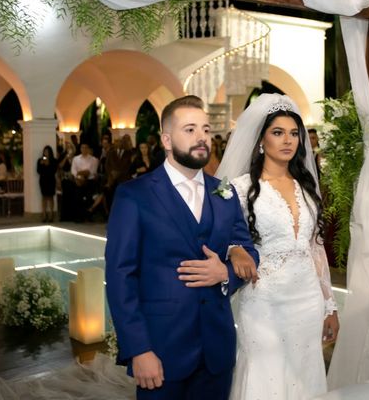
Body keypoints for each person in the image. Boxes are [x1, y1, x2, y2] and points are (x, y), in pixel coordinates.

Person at [105, 95, 259, 400]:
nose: (201, 137)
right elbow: (121, 278)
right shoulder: (134, 196)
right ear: (166, 139)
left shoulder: (224, 193)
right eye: (189, 130)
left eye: (205, 129)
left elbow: (248, 251)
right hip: (161, 353)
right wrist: (139, 349)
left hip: (217, 353)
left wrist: (226, 273)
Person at [216, 94, 339, 399]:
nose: (288, 140)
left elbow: (316, 250)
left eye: (294, 133)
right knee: (263, 377)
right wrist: (234, 249)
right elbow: (217, 235)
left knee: (304, 376)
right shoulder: (240, 189)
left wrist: (329, 305)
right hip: (263, 302)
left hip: (308, 299)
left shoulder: (307, 187)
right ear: (260, 140)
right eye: (278, 132)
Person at [36, 145, 57, 222]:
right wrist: (43, 164)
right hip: (43, 180)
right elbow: (38, 171)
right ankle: (44, 214)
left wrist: (48, 164)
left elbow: (54, 170)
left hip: (51, 180)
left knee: (51, 197)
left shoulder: (54, 160)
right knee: (44, 197)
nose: (46, 153)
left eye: (47, 151)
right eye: (45, 151)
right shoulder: (40, 160)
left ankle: (51, 214)